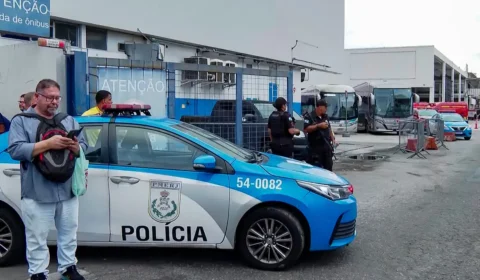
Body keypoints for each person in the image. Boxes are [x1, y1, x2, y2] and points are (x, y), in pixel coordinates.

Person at [7, 79, 87, 280]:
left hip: (67, 189)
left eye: (57, 98)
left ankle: (68, 268)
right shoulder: (21, 121)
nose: (54, 102)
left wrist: (76, 148)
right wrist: (48, 143)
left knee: (69, 233)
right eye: (50, 97)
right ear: (36, 97)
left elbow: (85, 147)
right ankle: (37, 273)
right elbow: (15, 150)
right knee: (37, 237)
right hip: (37, 191)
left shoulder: (68, 120)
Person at [303, 97, 336, 171]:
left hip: (326, 147)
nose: (326, 109)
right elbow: (306, 129)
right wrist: (318, 126)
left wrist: (333, 138)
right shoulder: (309, 116)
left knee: (329, 168)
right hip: (315, 148)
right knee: (316, 170)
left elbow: (329, 128)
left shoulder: (325, 116)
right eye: (325, 107)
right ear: (320, 107)